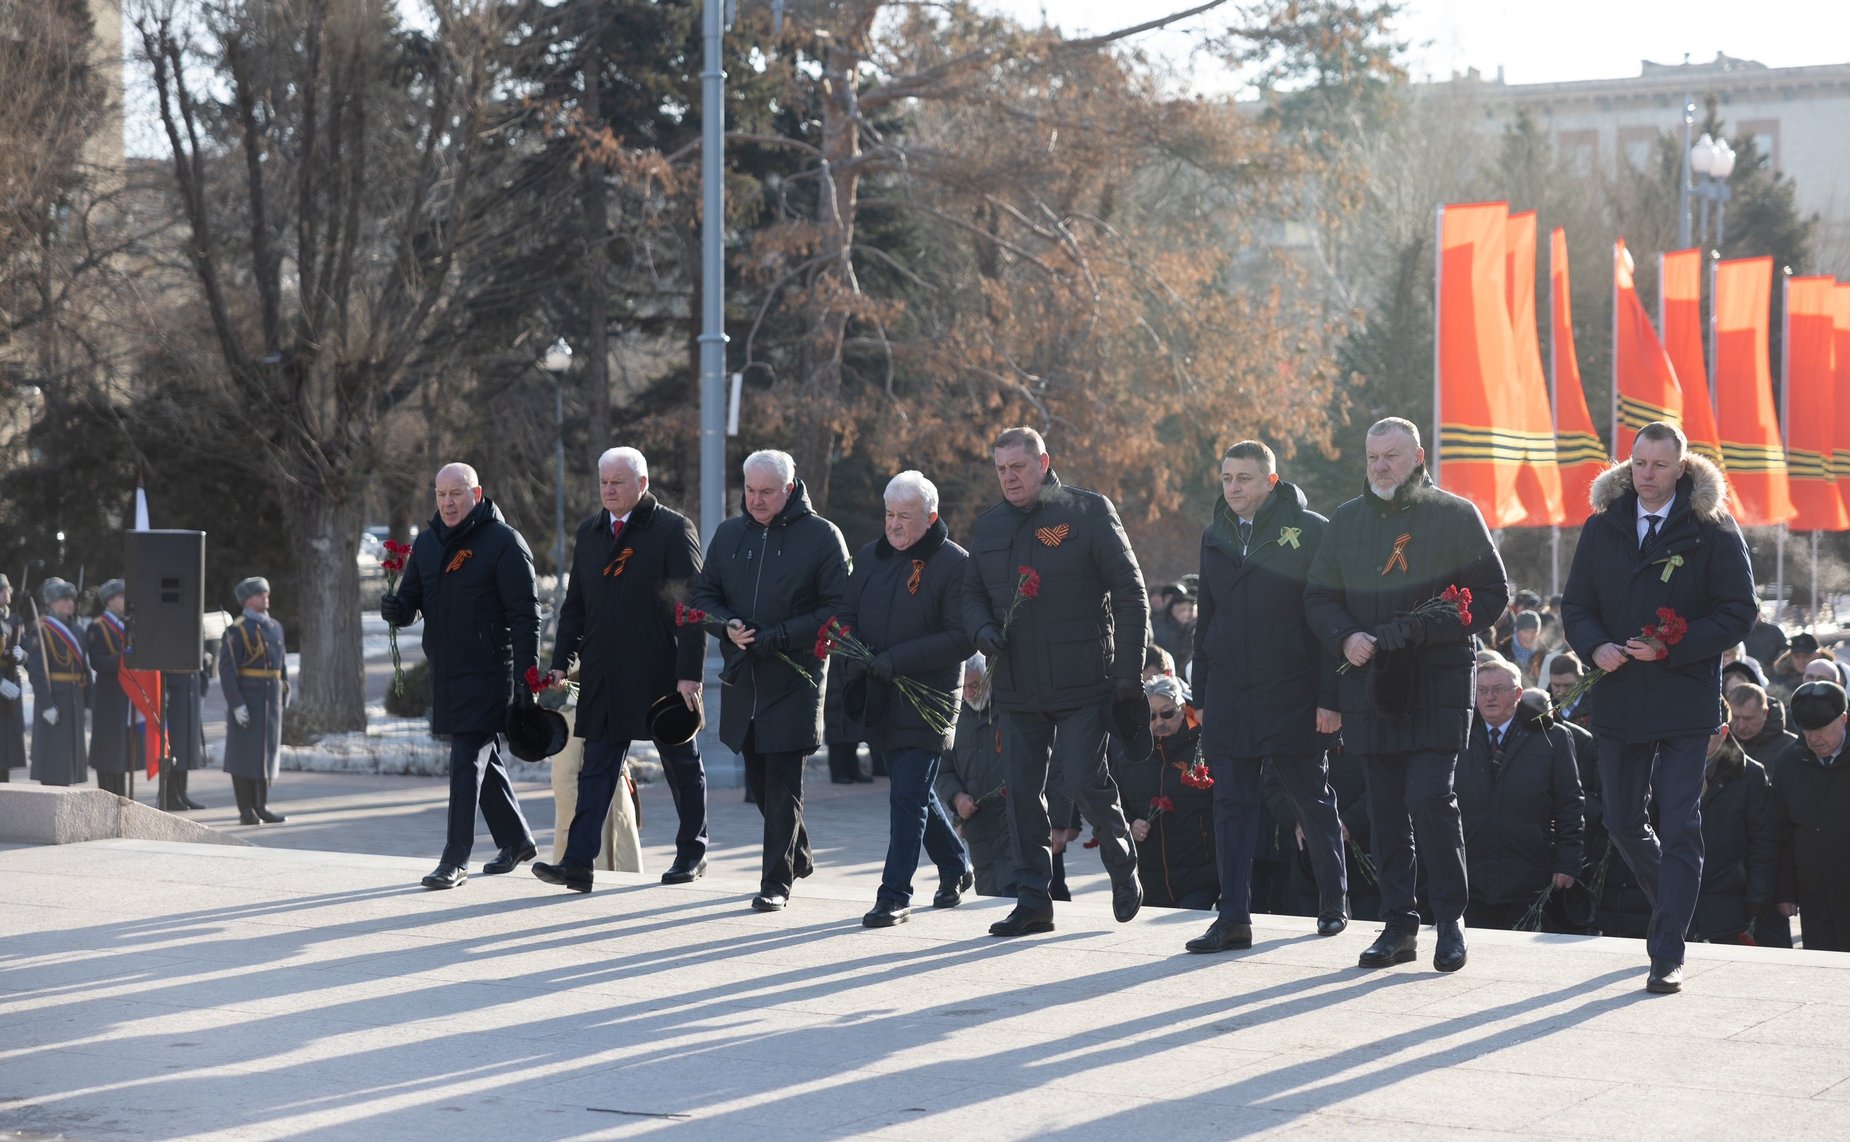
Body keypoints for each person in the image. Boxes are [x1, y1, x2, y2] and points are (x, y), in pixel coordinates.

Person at [1304, 417, 1508, 974]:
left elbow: (1492, 595)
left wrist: (1420, 630)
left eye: (1391, 456)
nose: (1380, 467)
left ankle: (1450, 920)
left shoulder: (1455, 515)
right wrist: (1347, 635)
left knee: (1428, 797)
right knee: (1386, 810)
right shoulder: (1346, 521)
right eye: (1372, 458)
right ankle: (1398, 925)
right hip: (1371, 685)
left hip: (1437, 681)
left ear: (1417, 455)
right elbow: (1319, 596)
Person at [1561, 420, 1756, 992]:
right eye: (1639, 463)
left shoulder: (1713, 528)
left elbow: (1738, 613)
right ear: (1629, 463)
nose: (1647, 476)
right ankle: (1676, 904)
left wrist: (1671, 647)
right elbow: (1576, 605)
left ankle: (1667, 946)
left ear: (1682, 468)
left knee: (1679, 825)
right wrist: (1594, 645)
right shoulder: (1603, 527)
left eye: (1660, 466)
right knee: (1622, 821)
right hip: (1619, 697)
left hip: (1682, 700)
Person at [963, 426, 1148, 937]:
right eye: (1001, 469)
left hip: (1085, 682)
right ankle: (1033, 900)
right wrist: (982, 630)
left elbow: (1131, 594)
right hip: (1018, 688)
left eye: (1018, 467)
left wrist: (1128, 675)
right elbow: (970, 594)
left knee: (1084, 782)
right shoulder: (991, 527)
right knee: (1021, 794)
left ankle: (1120, 857)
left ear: (1043, 463)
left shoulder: (1086, 511)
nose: (1009, 478)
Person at [1188, 440, 1347, 953]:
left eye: (1245, 479)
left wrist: (1331, 697)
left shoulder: (1312, 531)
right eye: (1228, 478)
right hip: (1232, 695)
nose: (1234, 488)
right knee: (1230, 807)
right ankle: (1233, 916)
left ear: (1271, 482)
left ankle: (1333, 902)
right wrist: (1203, 694)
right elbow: (1206, 621)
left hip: (1294, 693)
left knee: (1311, 799)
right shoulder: (1214, 536)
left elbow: (1327, 622)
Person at [530, 448, 706, 893]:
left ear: (642, 484)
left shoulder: (671, 529)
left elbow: (691, 608)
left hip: (660, 673)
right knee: (597, 768)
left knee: (679, 763)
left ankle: (691, 852)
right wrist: (561, 664)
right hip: (604, 674)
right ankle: (577, 863)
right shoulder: (590, 533)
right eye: (603, 481)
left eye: (618, 482)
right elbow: (575, 608)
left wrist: (689, 673)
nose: (608, 490)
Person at [691, 449, 850, 912]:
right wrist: (726, 626)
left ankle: (775, 882)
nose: (756, 501)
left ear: (789, 488)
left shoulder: (822, 536)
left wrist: (781, 635)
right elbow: (705, 597)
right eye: (750, 490)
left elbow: (837, 609)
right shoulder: (728, 533)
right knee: (759, 783)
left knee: (783, 781)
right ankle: (797, 852)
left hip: (794, 677)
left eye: (766, 492)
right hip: (745, 676)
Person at [382, 463, 542, 889]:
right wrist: (396, 609)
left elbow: (526, 615)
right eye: (441, 495)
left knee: (466, 756)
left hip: (491, 669)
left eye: (457, 493)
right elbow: (411, 601)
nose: (448, 503)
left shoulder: (503, 542)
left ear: (477, 493)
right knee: (480, 756)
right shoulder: (429, 543)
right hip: (446, 668)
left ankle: (455, 857)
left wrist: (528, 679)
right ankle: (517, 839)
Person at [841, 471, 976, 926]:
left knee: (906, 796)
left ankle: (895, 893)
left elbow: (961, 637)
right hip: (881, 694)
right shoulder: (869, 557)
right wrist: (853, 647)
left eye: (905, 517)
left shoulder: (955, 563)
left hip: (928, 699)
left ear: (931, 516)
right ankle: (956, 864)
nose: (894, 526)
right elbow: (847, 612)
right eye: (889, 515)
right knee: (913, 793)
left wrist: (897, 659)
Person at [1454, 659, 1583, 931]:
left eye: (1498, 689)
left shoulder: (1552, 737)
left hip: (1530, 872)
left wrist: (1568, 862)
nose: (1489, 697)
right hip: (1470, 874)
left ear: (1518, 694)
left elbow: (1570, 804)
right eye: (1482, 690)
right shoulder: (1456, 736)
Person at [1113, 676, 1216, 910]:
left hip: (1201, 878)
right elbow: (1112, 804)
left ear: (1181, 710)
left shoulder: (1205, 751)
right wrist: (1129, 823)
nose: (1159, 721)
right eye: (1151, 716)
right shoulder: (1130, 757)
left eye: (1167, 713)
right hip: (1149, 881)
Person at [1772, 681, 1850, 952]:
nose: (1814, 738)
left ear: (1843, 719)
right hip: (1815, 891)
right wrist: (1785, 891)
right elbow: (1782, 831)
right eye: (1806, 731)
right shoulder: (1788, 763)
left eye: (1821, 730)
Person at [1693, 701, 1778, 945]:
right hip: (1677, 898)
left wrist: (1758, 899)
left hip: (1730, 900)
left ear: (1723, 732)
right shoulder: (1663, 767)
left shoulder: (1749, 774)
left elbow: (1764, 840)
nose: (1693, 742)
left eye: (1703, 735)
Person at [939, 655, 1015, 898]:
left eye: (975, 686)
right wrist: (957, 797)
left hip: (1011, 818)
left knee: (1013, 889)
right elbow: (943, 770)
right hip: (977, 822)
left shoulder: (1009, 708)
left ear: (988, 679)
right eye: (964, 688)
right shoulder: (953, 716)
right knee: (987, 891)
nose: (969, 694)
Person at [218, 576, 288, 824]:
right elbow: (227, 671)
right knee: (244, 756)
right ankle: (245, 809)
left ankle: (261, 806)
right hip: (248, 698)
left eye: (266, 593)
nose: (265, 597)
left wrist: (284, 690)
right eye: (259, 594)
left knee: (264, 755)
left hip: (270, 700)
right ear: (247, 600)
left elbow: (282, 665)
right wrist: (236, 704)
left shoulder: (275, 627)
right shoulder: (237, 630)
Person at [24, 577, 90, 787]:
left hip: (74, 698)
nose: (70, 603)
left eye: (71, 599)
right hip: (55, 697)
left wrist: (89, 700)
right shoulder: (42, 629)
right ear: (51, 602)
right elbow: (36, 671)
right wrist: (46, 705)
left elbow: (84, 668)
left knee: (71, 756)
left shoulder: (77, 630)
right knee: (54, 757)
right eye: (64, 599)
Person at [85, 579, 141, 797]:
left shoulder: (129, 625)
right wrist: (124, 657)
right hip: (109, 694)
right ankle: (108, 796)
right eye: (122, 597)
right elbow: (97, 662)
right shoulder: (98, 626)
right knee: (109, 750)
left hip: (128, 693)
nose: (126, 601)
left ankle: (123, 797)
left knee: (123, 750)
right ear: (110, 600)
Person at [160, 646, 211, 812]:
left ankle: (182, 793)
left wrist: (202, 686)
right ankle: (170, 795)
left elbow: (201, 658)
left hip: (190, 686)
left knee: (186, 746)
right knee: (176, 744)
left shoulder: (191, 626)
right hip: (175, 691)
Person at [1728, 683, 1796, 766]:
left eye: (1748, 719)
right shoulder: (1716, 742)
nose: (1741, 726)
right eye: (1734, 717)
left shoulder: (1791, 748)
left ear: (1765, 713)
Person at [1, 575, 27, 780]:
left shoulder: (14, 619)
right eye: (2, 590)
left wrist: (21, 655)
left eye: (7, 589)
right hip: (3, 683)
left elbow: (25, 650)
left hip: (11, 683)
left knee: (7, 749)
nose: (6, 593)